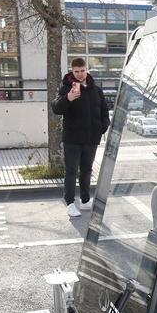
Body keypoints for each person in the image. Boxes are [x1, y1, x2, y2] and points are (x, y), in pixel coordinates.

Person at [52, 58, 109, 218]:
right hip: (72, 139)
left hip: (91, 139)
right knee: (71, 171)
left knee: (87, 171)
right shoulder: (66, 88)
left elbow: (104, 111)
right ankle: (70, 203)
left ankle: (85, 201)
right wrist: (68, 98)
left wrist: (102, 127)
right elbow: (56, 108)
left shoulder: (96, 90)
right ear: (72, 71)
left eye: (82, 70)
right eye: (76, 71)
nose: (79, 74)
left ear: (87, 69)